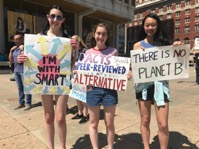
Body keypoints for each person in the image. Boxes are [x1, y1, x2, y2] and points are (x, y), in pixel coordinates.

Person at [17, 5, 78, 149]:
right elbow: (31, 60)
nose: (55, 20)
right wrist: (22, 59)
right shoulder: (38, 38)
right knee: (48, 117)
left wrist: (75, 51)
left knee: (60, 117)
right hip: (43, 80)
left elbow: (71, 66)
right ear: (48, 17)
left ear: (63, 20)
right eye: (52, 16)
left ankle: (62, 146)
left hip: (61, 80)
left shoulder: (68, 40)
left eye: (58, 17)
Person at [132, 13, 183, 149]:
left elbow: (175, 63)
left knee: (163, 123)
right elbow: (134, 67)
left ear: (158, 26)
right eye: (147, 25)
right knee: (145, 119)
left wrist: (177, 48)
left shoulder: (165, 44)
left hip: (161, 86)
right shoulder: (137, 45)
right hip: (143, 87)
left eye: (153, 25)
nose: (150, 27)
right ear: (143, 27)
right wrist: (137, 56)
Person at [84, 23, 119, 149]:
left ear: (107, 36)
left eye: (104, 34)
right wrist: (79, 72)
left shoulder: (113, 52)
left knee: (109, 123)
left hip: (109, 90)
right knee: (93, 123)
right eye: (98, 33)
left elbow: (117, 71)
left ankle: (111, 147)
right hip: (93, 90)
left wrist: (124, 75)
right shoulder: (87, 53)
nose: (101, 36)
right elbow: (85, 72)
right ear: (94, 35)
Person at [8, 34, 32, 111]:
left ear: (22, 39)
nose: (15, 40)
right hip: (16, 71)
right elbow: (11, 60)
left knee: (27, 87)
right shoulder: (15, 49)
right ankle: (21, 103)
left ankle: (28, 103)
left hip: (24, 71)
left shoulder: (26, 48)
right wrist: (11, 51)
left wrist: (22, 50)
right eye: (14, 39)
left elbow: (23, 59)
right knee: (20, 88)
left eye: (17, 39)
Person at [70, 35, 89, 124]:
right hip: (74, 76)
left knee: (83, 97)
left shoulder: (85, 51)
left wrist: (78, 70)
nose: (73, 44)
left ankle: (85, 114)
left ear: (79, 41)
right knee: (76, 95)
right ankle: (79, 112)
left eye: (75, 42)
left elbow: (87, 64)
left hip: (83, 76)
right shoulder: (72, 52)